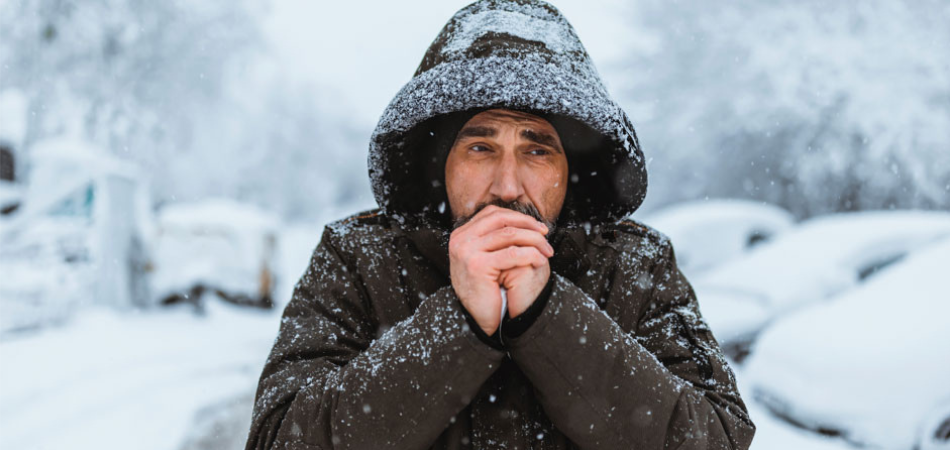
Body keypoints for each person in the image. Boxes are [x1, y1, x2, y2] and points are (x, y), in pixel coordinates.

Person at [245, 1, 755, 449]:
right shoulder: (359, 259)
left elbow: (715, 438)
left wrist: (548, 316)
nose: (508, 187)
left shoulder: (636, 267)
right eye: (480, 148)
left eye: (537, 150)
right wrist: (458, 323)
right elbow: (281, 438)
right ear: (440, 166)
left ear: (571, 173)